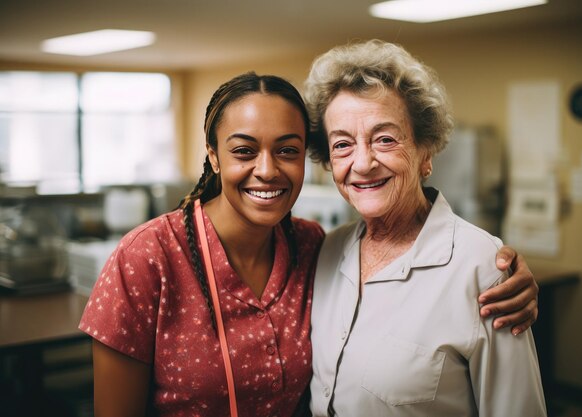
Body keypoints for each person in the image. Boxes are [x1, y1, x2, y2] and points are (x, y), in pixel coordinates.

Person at [79, 71, 537, 417]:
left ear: (426, 153)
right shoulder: (148, 257)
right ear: (213, 156)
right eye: (242, 151)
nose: (267, 170)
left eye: (287, 150)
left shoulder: (310, 247)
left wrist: (505, 271)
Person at [304, 40, 547, 416]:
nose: (363, 162)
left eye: (385, 139)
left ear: (425, 152)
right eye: (342, 145)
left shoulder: (482, 268)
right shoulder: (327, 251)